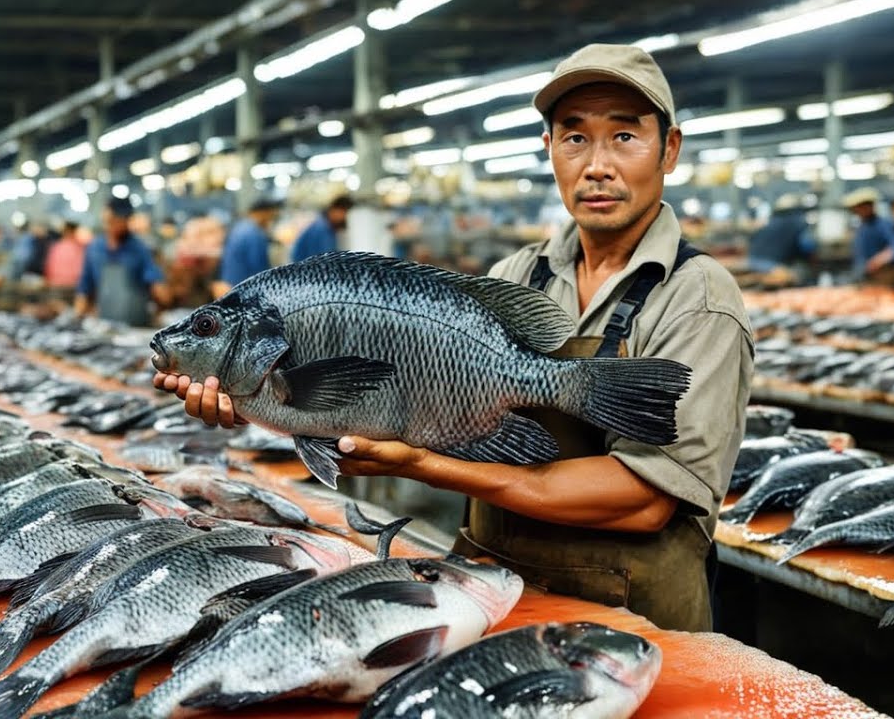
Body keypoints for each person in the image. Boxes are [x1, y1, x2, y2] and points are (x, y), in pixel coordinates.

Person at [154, 43, 754, 632]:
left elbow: (645, 501)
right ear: (549, 149)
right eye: (574, 137)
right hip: (493, 602)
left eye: (625, 136)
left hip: (640, 632)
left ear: (668, 149)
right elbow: (381, 400)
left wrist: (421, 465)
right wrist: (260, 409)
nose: (597, 163)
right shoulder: (517, 276)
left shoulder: (698, 299)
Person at [75, 196, 171, 325]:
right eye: (113, 220)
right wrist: (78, 316)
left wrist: (163, 299)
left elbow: (158, 286)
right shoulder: (94, 248)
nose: (117, 224)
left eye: (122, 220)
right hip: (104, 321)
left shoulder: (139, 248)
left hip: (134, 323)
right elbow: (85, 287)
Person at [214, 197, 283, 297]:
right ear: (264, 213)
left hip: (230, 286)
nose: (270, 221)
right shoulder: (254, 234)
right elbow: (259, 269)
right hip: (245, 290)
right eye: (271, 216)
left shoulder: (240, 228)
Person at [748, 193, 816, 274]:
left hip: (752, 262)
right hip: (774, 266)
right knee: (802, 273)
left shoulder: (770, 221)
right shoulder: (798, 221)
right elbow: (807, 246)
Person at [290, 195, 354, 262]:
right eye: (344, 213)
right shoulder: (321, 229)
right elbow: (322, 261)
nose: (344, 218)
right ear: (335, 210)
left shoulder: (326, 227)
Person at [44, 220, 87, 289]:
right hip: (65, 284)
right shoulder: (80, 247)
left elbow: (48, 267)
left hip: (62, 284)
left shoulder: (57, 247)